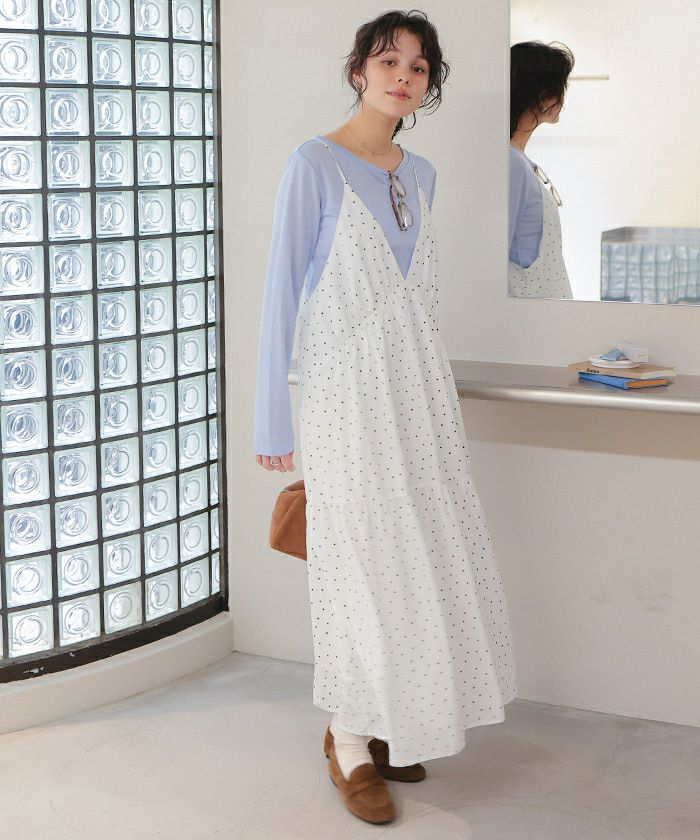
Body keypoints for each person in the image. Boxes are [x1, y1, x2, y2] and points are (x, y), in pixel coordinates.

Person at [254, 10, 516, 825]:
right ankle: (346, 740)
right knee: (357, 566)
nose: (403, 75)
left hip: (417, 397)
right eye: (388, 60)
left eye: (418, 66)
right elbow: (279, 296)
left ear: (428, 83)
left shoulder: (423, 173)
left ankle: (385, 719)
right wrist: (271, 421)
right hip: (343, 398)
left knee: (415, 561)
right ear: (358, 71)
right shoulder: (313, 164)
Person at [509, 40, 575, 298]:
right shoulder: (511, 164)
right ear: (542, 94)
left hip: (546, 311)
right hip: (532, 313)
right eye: (561, 87)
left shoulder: (519, 161)